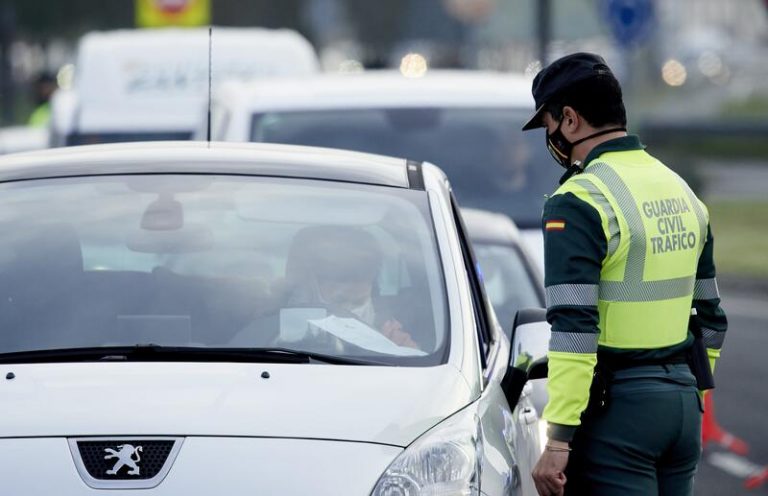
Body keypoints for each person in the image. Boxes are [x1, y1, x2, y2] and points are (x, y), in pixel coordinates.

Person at [521, 53, 728, 495]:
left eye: (550, 126)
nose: (552, 138)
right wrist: (694, 399)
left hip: (620, 412)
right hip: (682, 406)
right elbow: (711, 318)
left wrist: (558, 438)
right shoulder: (680, 191)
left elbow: (574, 328)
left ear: (570, 120)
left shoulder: (578, 201)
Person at [281, 225, 420, 349]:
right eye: (339, 302)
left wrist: (400, 350)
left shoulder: (390, 327)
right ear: (312, 285)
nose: (349, 311)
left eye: (358, 302)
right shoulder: (272, 320)